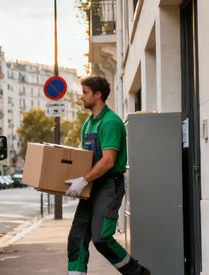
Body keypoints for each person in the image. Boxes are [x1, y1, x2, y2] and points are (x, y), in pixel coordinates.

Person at [64, 76, 150, 275]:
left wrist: (83, 180)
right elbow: (84, 158)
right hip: (90, 187)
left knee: (101, 238)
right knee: (76, 238)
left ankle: (139, 273)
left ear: (98, 94)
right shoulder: (88, 124)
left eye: (85, 92)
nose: (82, 96)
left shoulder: (110, 122)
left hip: (108, 186)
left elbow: (108, 161)